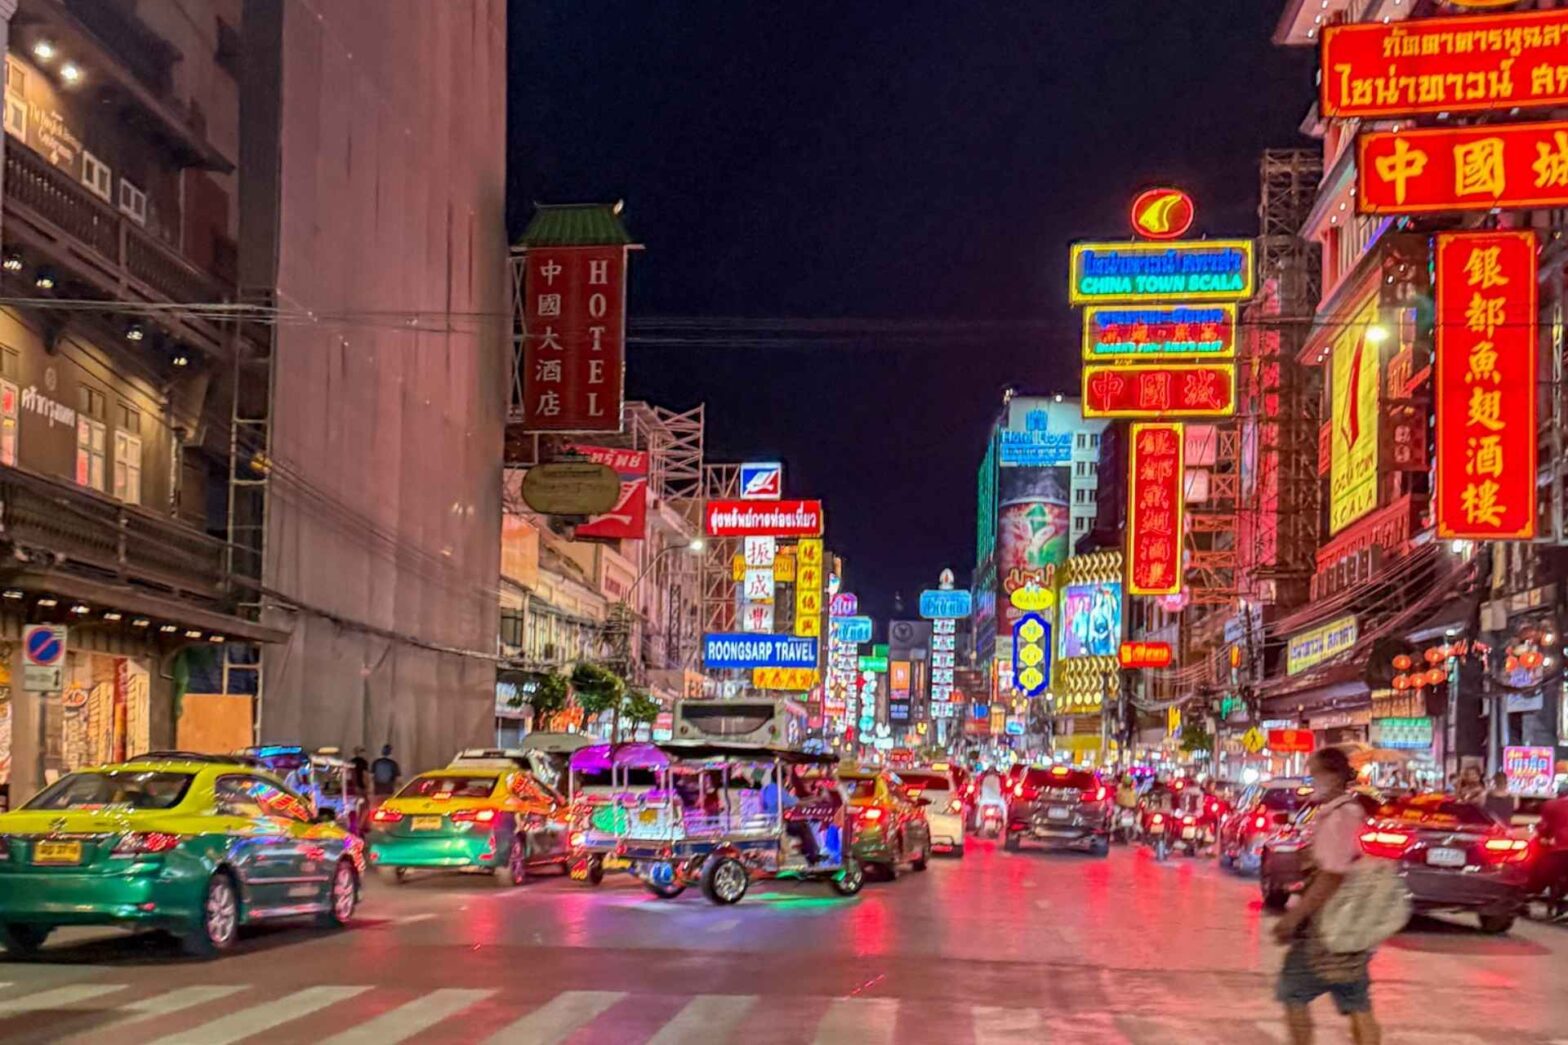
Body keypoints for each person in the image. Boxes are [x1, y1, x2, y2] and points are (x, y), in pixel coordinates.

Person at [1273, 746, 1380, 1045]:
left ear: (1333, 778)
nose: (1311, 781)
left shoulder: (1338, 817)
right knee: (1357, 1000)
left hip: (1326, 928)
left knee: (1293, 991)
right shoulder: (1351, 811)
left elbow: (1331, 876)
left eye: (1314, 774)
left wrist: (1294, 918)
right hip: (1350, 927)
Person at [760, 766, 819, 863]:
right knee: (803, 826)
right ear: (783, 779)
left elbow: (792, 802)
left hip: (770, 822)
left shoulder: (768, 788)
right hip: (775, 824)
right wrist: (816, 799)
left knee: (800, 824)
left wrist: (812, 798)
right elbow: (798, 803)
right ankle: (811, 856)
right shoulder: (778, 790)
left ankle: (808, 853)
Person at [1535, 781, 1568, 917]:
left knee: (1554, 877)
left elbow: (1544, 826)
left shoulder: (1550, 805)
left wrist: (1542, 837)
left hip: (1558, 846)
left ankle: (1553, 905)